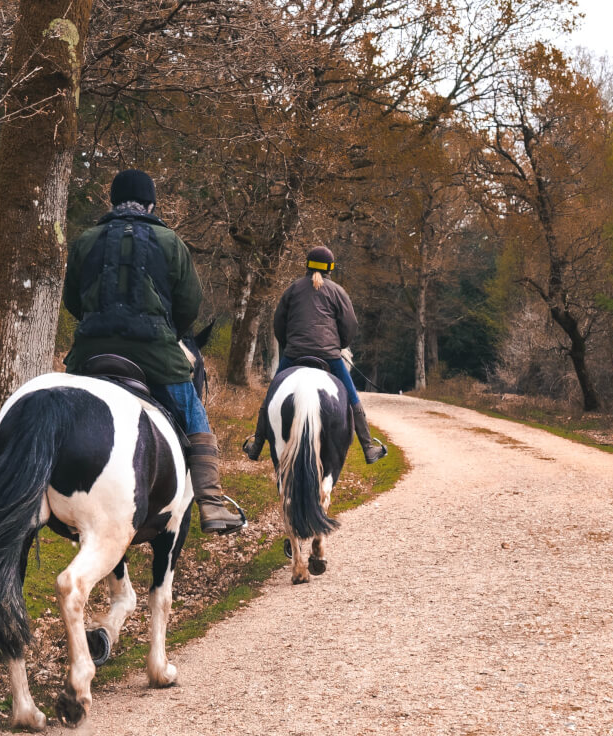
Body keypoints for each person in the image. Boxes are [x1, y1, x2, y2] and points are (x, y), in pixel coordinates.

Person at [62, 168, 244, 534]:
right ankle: (211, 502)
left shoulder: (86, 240)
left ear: (112, 202)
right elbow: (189, 303)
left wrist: (98, 322)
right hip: (155, 354)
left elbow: (72, 300)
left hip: (89, 354)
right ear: (150, 204)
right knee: (194, 413)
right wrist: (168, 332)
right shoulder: (169, 240)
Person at [242, 245, 387, 464]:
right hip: (329, 356)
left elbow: (279, 323)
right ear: (330, 268)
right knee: (352, 397)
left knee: (271, 395)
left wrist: (289, 345)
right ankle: (368, 447)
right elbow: (350, 325)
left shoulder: (292, 289)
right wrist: (339, 345)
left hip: (294, 354)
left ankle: (257, 445)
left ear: (307, 265)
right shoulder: (338, 292)